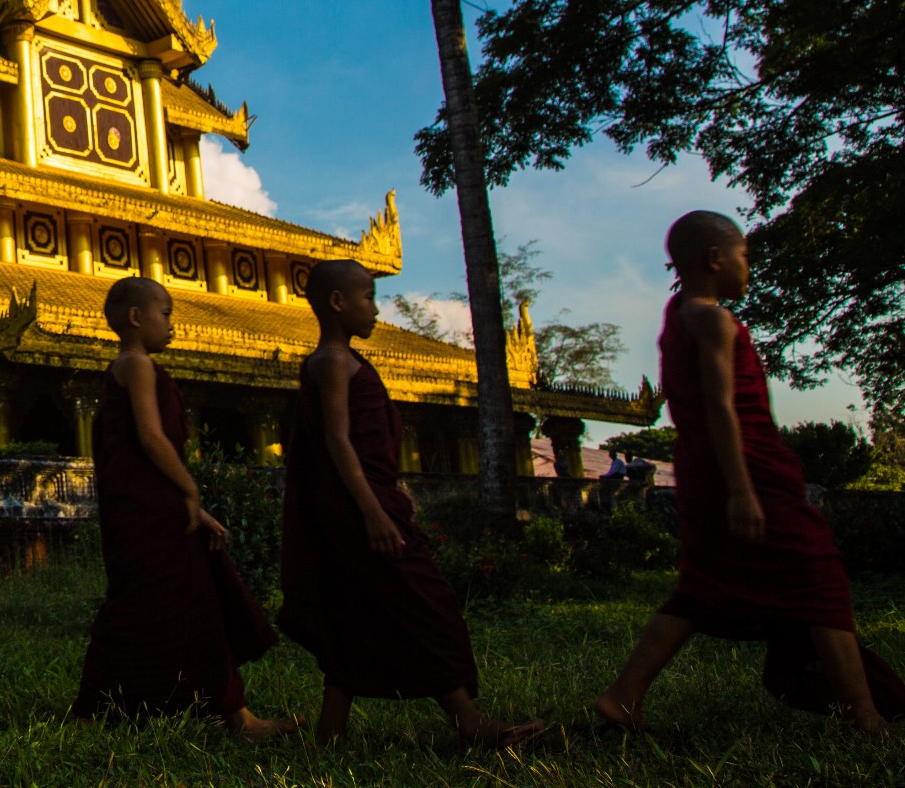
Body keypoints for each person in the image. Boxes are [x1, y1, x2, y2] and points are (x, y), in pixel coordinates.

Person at [595, 212, 901, 733]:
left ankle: (623, 696)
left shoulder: (680, 312)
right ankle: (866, 714)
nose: (747, 268)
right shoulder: (714, 320)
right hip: (741, 468)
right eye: (744, 257)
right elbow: (721, 406)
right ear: (715, 258)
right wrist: (741, 489)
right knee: (819, 577)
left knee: (702, 587)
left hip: (703, 467)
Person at [278, 259, 544, 747]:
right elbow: (339, 442)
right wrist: (373, 510)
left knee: (356, 612)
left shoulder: (341, 361)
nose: (375, 310)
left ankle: (331, 731)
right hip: (359, 507)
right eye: (367, 298)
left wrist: (390, 494)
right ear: (337, 303)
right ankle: (469, 722)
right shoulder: (333, 362)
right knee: (425, 605)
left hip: (365, 499)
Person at [72, 277, 282, 734]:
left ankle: (232, 711)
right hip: (148, 513)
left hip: (147, 509)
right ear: (135, 317)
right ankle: (94, 711)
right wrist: (191, 490)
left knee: (184, 606)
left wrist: (193, 508)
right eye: (165, 314)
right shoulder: (138, 366)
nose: (172, 325)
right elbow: (150, 437)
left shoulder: (127, 366)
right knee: (149, 607)